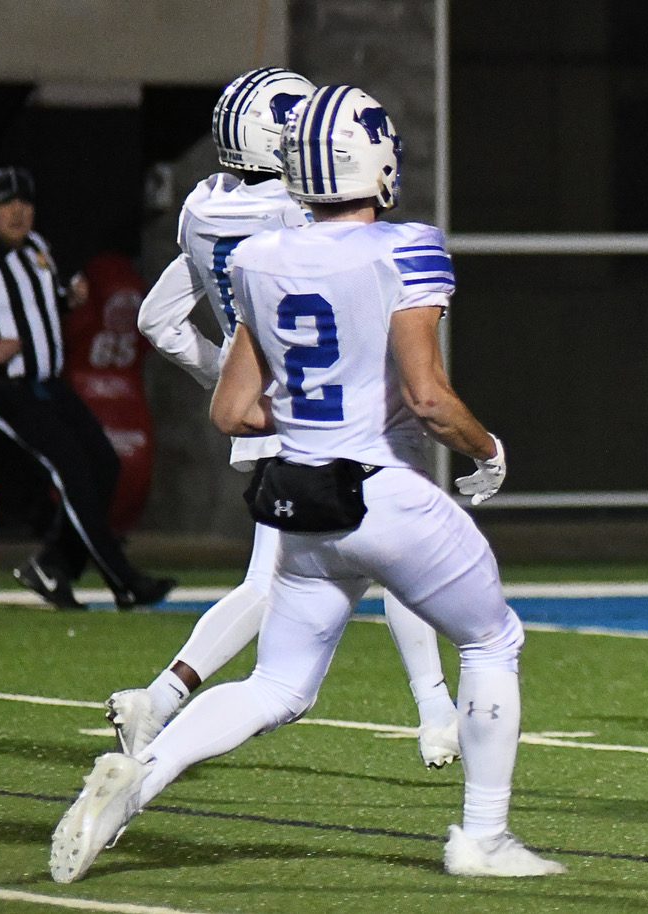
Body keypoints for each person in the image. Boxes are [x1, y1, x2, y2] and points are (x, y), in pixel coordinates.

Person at [50, 84, 565, 883]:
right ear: (374, 160)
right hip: (380, 489)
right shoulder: (406, 246)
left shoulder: (259, 258)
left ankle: (139, 777)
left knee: (277, 684)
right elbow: (428, 398)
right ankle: (483, 837)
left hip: (300, 499)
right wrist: (487, 450)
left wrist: (307, 421)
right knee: (492, 638)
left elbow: (231, 409)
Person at [109, 68, 460, 773]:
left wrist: (227, 380)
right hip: (330, 410)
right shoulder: (297, 217)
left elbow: (157, 320)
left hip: (265, 414)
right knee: (397, 551)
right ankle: (435, 712)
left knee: (273, 582)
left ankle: (161, 697)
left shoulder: (202, 207)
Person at [0, 165, 175, 609]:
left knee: (104, 464)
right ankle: (124, 579)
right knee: (73, 471)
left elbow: (40, 302)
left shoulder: (36, 247)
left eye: (25, 202)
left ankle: (53, 565)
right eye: (6, 203)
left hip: (49, 384)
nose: (18, 212)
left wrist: (68, 298)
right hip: (6, 390)